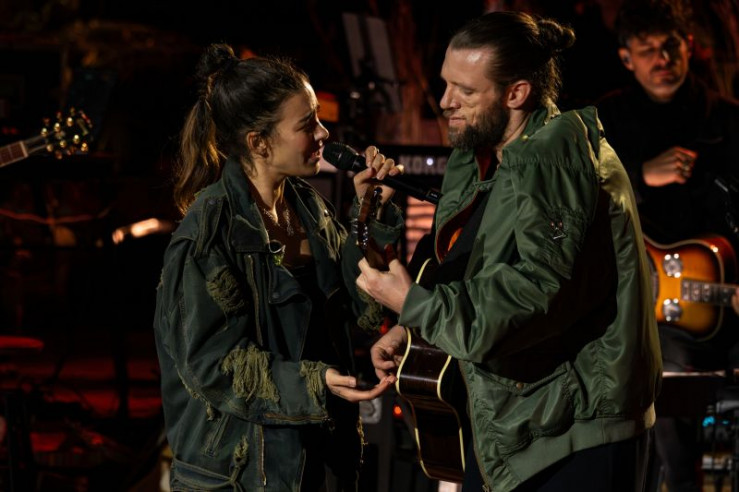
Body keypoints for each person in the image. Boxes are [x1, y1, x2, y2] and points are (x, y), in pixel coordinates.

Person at [357, 10, 662, 492]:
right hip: (525, 422)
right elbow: (465, 270)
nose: (445, 101)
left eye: (465, 91)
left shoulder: (555, 159)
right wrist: (412, 329)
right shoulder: (484, 156)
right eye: (446, 83)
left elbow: (534, 293)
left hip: (573, 432)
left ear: (516, 93)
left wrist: (415, 305)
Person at [152, 43, 405, 491]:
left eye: (318, 119)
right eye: (307, 124)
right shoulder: (208, 236)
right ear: (259, 143)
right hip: (240, 475)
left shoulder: (309, 208)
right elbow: (215, 365)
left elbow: (361, 305)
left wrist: (369, 213)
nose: (324, 133)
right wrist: (315, 382)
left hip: (314, 460)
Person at [596, 1, 739, 490]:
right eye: (647, 49)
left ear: (689, 46)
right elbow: (580, 202)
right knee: (669, 419)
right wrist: (640, 178)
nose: (662, 59)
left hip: (723, 298)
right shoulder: (606, 120)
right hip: (648, 311)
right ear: (626, 58)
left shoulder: (726, 118)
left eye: (670, 46)